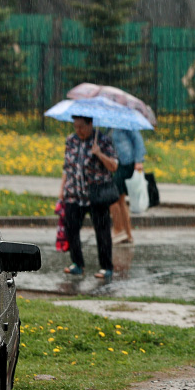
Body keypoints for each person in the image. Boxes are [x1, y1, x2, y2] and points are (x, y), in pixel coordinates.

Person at [59, 116, 119, 280]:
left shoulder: (102, 140)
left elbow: (114, 165)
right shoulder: (71, 140)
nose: (78, 130)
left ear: (90, 124)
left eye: (81, 127)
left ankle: (106, 267)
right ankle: (77, 264)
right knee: (71, 229)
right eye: (75, 127)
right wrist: (62, 190)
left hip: (96, 196)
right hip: (74, 194)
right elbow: (67, 167)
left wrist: (99, 154)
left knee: (102, 232)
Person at [110, 128, 146, 244]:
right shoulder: (110, 126)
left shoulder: (126, 124)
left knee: (113, 196)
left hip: (127, 163)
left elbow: (138, 141)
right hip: (118, 164)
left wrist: (139, 161)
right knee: (120, 199)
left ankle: (119, 230)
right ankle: (127, 234)